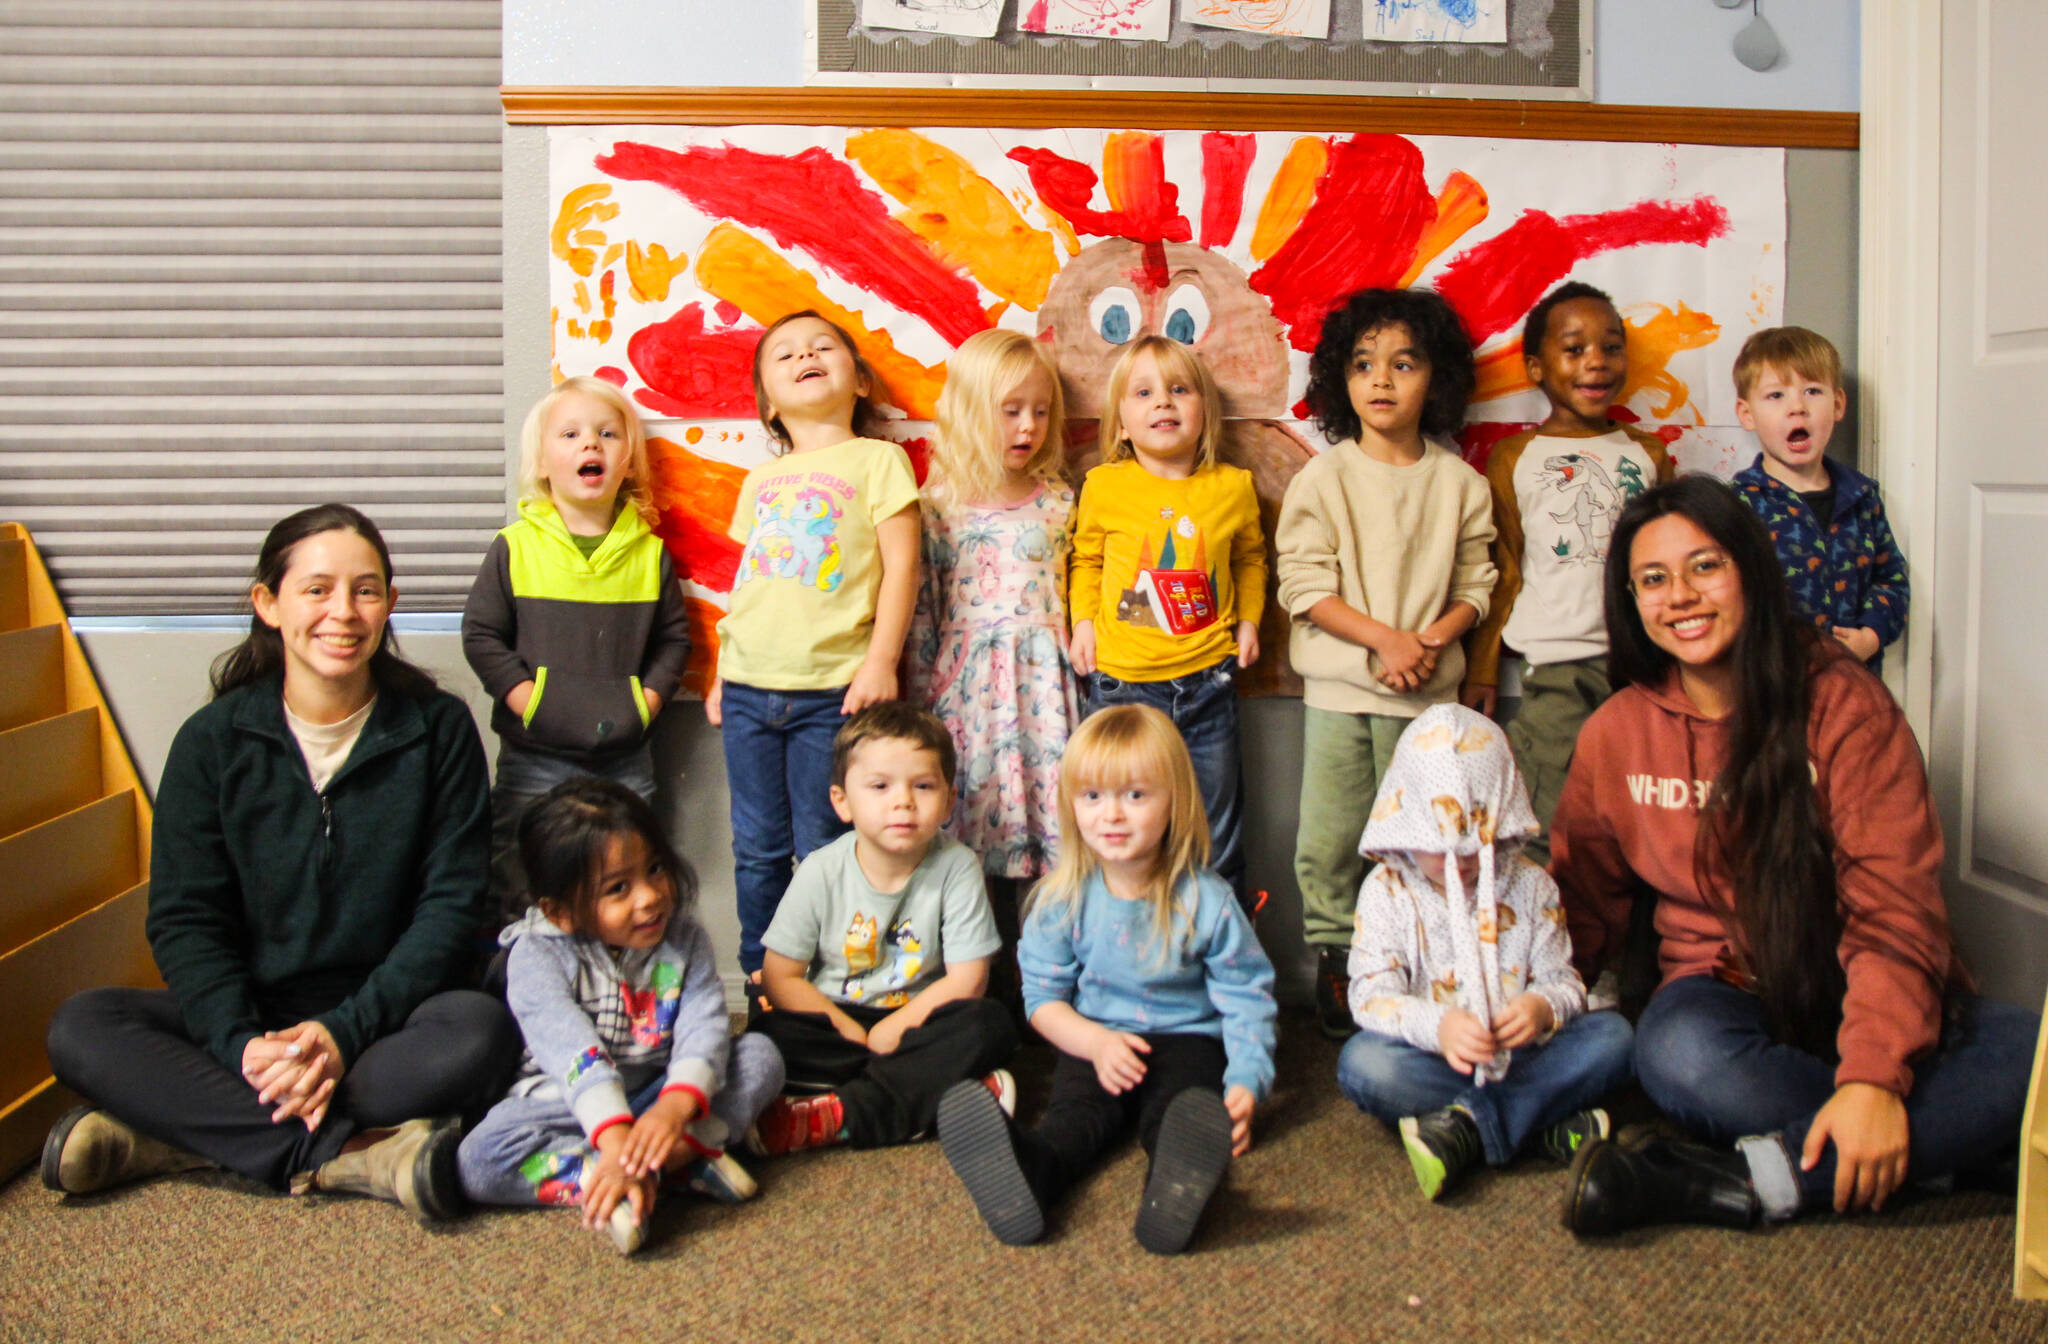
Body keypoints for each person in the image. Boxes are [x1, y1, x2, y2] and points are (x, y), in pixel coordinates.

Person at [1551, 476, 2039, 1234]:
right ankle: (1955, 1150)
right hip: (1719, 1002)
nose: (1679, 594)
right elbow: (1578, 902)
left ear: (1749, 568)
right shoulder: (1617, 730)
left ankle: (1745, 1179)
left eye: (1704, 566)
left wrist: (1875, 1078)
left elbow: (1894, 907)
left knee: (2038, 1056)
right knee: (1675, 1053)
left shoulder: (1845, 705)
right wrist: (1525, 1022)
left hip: (1850, 980)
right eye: (1653, 579)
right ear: (1632, 600)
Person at [42, 504, 520, 1219]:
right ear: (269, 604)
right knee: (82, 1026)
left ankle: (180, 1141)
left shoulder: (438, 730)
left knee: (481, 1033)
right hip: (252, 1019)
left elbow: (448, 912)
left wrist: (341, 1033)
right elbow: (185, 921)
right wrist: (241, 1045)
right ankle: (345, 1155)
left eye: (365, 590)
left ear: (390, 604)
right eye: (317, 589)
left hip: (383, 1024)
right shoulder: (212, 743)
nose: (344, 613)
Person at [936, 704, 1277, 1255]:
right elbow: (1043, 1001)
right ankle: (1028, 1175)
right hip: (1093, 1039)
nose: (1111, 815)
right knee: (1072, 1124)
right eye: (1092, 796)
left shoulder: (1207, 899)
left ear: (1175, 802)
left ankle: (1179, 1190)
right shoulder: (1060, 898)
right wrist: (1094, 1043)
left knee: (1179, 1117)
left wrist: (1245, 1084)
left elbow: (1247, 999)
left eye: (1135, 796)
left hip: (1188, 1041)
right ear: (1071, 806)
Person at [1277, 287, 1497, 1039]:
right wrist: (1382, 640)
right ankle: (1340, 961)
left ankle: (1415, 961)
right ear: (1340, 377)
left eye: (1403, 364)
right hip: (1341, 693)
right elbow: (1303, 586)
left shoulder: (1461, 484)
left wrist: (1427, 641)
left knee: (1425, 845)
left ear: (1435, 379)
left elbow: (1477, 584)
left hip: (1428, 703)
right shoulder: (1324, 478)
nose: (1381, 380)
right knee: (1331, 838)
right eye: (1365, 364)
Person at [456, 777, 784, 1255]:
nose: (649, 896)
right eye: (618, 888)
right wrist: (613, 1143)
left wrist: (675, 1106)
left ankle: (671, 1152)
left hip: (660, 1092)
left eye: (654, 869)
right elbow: (571, 1051)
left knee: (761, 1054)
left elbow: (705, 1025)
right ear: (561, 911)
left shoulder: (684, 937)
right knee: (478, 1159)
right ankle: (636, 1176)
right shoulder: (534, 955)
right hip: (567, 1106)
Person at [1334, 704, 1632, 1202]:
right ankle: (1541, 1120)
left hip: (1529, 1056)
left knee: (1616, 1037)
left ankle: (1467, 1126)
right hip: (1436, 1059)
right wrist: (1441, 1027)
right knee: (1363, 1065)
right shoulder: (1385, 892)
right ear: (1407, 823)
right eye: (1442, 845)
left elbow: (1565, 983)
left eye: (1479, 841)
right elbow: (1369, 997)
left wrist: (1541, 1009)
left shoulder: (1533, 887)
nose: (1465, 861)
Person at [708, 311, 922, 978]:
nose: (806, 355)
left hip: (832, 690)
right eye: (786, 354)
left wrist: (882, 660)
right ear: (769, 403)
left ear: (858, 380)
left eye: (822, 347)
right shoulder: (759, 482)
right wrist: (720, 674)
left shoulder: (879, 460)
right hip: (746, 688)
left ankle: (833, 978)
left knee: (826, 842)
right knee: (757, 848)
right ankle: (763, 976)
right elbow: (746, 583)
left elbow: (903, 569)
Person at [1461, 281, 1674, 866]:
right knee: (1544, 819)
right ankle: (1539, 948)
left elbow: (1671, 565)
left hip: (1642, 666)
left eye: (1611, 347)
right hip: (1556, 669)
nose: (1596, 363)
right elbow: (1503, 569)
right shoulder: (1514, 458)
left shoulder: (1648, 454)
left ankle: (1629, 955)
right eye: (1574, 349)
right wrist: (1481, 665)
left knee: (1640, 820)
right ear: (1536, 366)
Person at [743, 702, 1017, 1155]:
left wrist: (893, 1032)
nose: (903, 801)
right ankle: (936, 1094)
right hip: (837, 1021)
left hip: (920, 1021)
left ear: (949, 800)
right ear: (842, 802)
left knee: (990, 1025)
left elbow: (968, 979)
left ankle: (838, 1115)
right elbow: (781, 975)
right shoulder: (820, 869)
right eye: (880, 786)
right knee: (764, 1041)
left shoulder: (958, 866)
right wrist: (851, 1031)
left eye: (923, 786)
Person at [462, 376, 691, 918]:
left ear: (629, 462)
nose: (591, 444)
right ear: (543, 463)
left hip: (625, 758)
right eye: (570, 434)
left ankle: (612, 982)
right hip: (535, 756)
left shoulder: (650, 554)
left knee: (625, 870)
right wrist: (529, 701)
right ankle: (512, 982)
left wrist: (646, 704)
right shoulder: (514, 547)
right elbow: (481, 634)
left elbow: (675, 640)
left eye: (608, 434)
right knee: (519, 871)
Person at [1068, 334, 1267, 905]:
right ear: (1122, 423)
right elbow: (1085, 560)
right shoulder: (1104, 485)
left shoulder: (1233, 487)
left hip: (1209, 687)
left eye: (1180, 390)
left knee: (1217, 838)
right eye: (1145, 393)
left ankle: (1222, 964)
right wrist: (1084, 623)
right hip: (1122, 688)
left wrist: (1249, 620)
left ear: (1204, 414)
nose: (1164, 403)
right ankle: (1112, 952)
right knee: (1115, 837)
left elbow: (1252, 559)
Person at [905, 328, 1078, 917]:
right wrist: (918, 700)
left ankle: (1044, 978)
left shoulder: (1059, 501)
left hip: (1047, 696)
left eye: (1039, 411)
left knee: (1054, 836)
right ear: (973, 411)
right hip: (966, 700)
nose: (1027, 427)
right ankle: (975, 980)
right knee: (968, 831)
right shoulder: (938, 505)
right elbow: (924, 610)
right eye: (1010, 412)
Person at [1730, 325, 1908, 672]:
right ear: (1747, 413)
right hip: (1773, 689)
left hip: (1853, 685)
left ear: (1838, 404)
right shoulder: (1737, 506)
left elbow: (1891, 580)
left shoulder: (1861, 498)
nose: (1797, 407)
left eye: (1812, 391)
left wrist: (1871, 635)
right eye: (1776, 396)